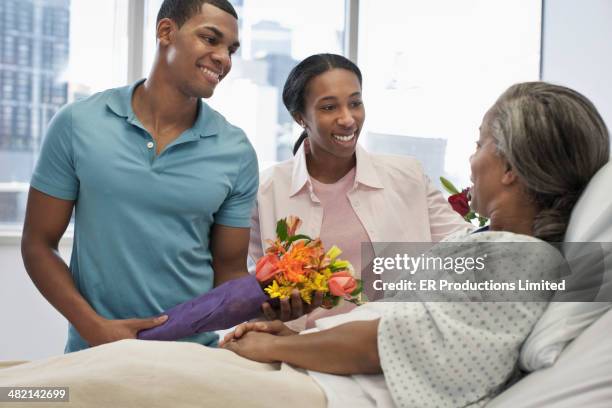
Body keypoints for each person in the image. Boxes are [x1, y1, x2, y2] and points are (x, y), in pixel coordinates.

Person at [5, 83, 608, 407]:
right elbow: (393, 313)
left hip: (320, 389)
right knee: (68, 374)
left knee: (87, 383)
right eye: (328, 105)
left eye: (480, 142)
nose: (471, 160)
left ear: (508, 166)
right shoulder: (502, 251)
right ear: (300, 118)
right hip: (306, 368)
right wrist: (288, 333)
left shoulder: (524, 260)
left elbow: (390, 342)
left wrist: (270, 346)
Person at [21, 0, 260, 353]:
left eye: (231, 50)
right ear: (166, 32)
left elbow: (229, 275)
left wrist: (270, 301)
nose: (224, 58)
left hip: (194, 358)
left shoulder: (236, 151)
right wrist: (95, 328)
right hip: (93, 354)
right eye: (211, 39)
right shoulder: (78, 123)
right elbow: (38, 244)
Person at [249, 53, 469, 322]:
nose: (348, 119)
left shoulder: (407, 176)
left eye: (355, 103)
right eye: (329, 107)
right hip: (301, 348)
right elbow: (255, 289)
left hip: (392, 343)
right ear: (300, 118)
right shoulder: (266, 192)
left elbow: (467, 247)